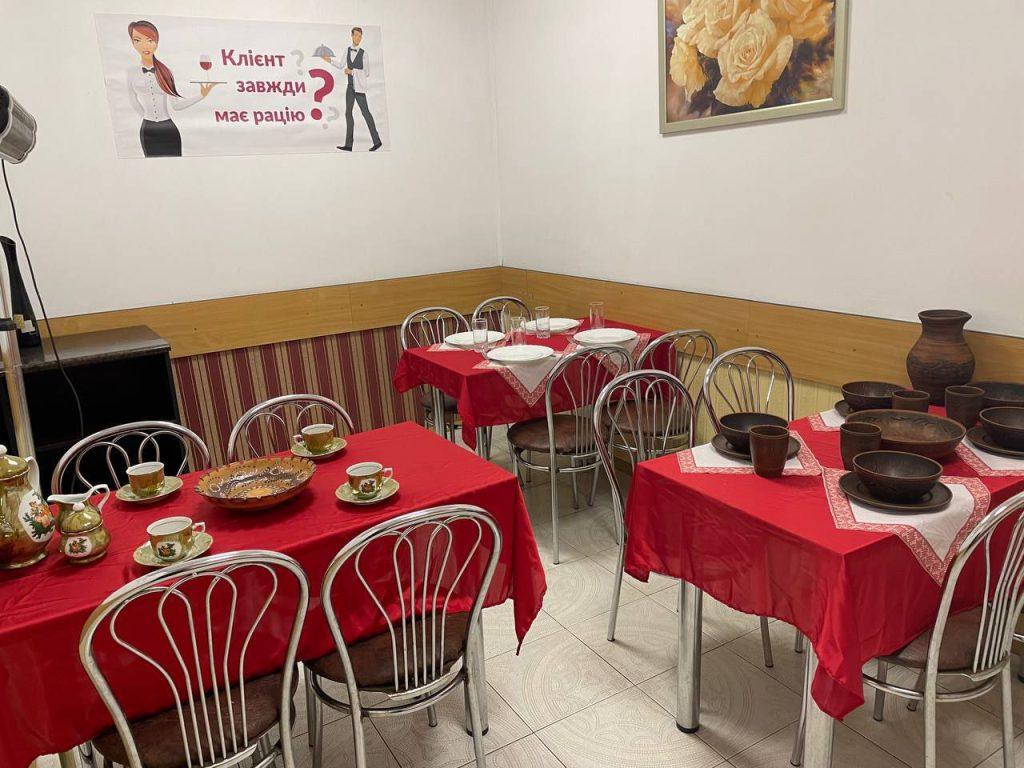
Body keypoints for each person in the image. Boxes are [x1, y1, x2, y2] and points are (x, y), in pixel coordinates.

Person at [125, 20, 219, 157]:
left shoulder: (166, 71)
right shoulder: (131, 72)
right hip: (147, 130)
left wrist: (201, 95)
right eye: (138, 40)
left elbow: (176, 105)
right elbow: (132, 101)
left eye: (150, 40)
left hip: (169, 129)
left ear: (156, 43)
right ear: (133, 43)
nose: (145, 45)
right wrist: (146, 118)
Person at [321, 27, 382, 151]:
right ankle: (349, 145)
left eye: (360, 36)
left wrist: (352, 71)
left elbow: (367, 72)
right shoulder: (347, 50)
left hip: (359, 89)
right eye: (356, 35)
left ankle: (377, 141)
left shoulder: (364, 54)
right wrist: (329, 60)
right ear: (352, 36)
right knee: (348, 113)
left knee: (366, 113)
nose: (358, 38)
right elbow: (341, 65)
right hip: (350, 88)